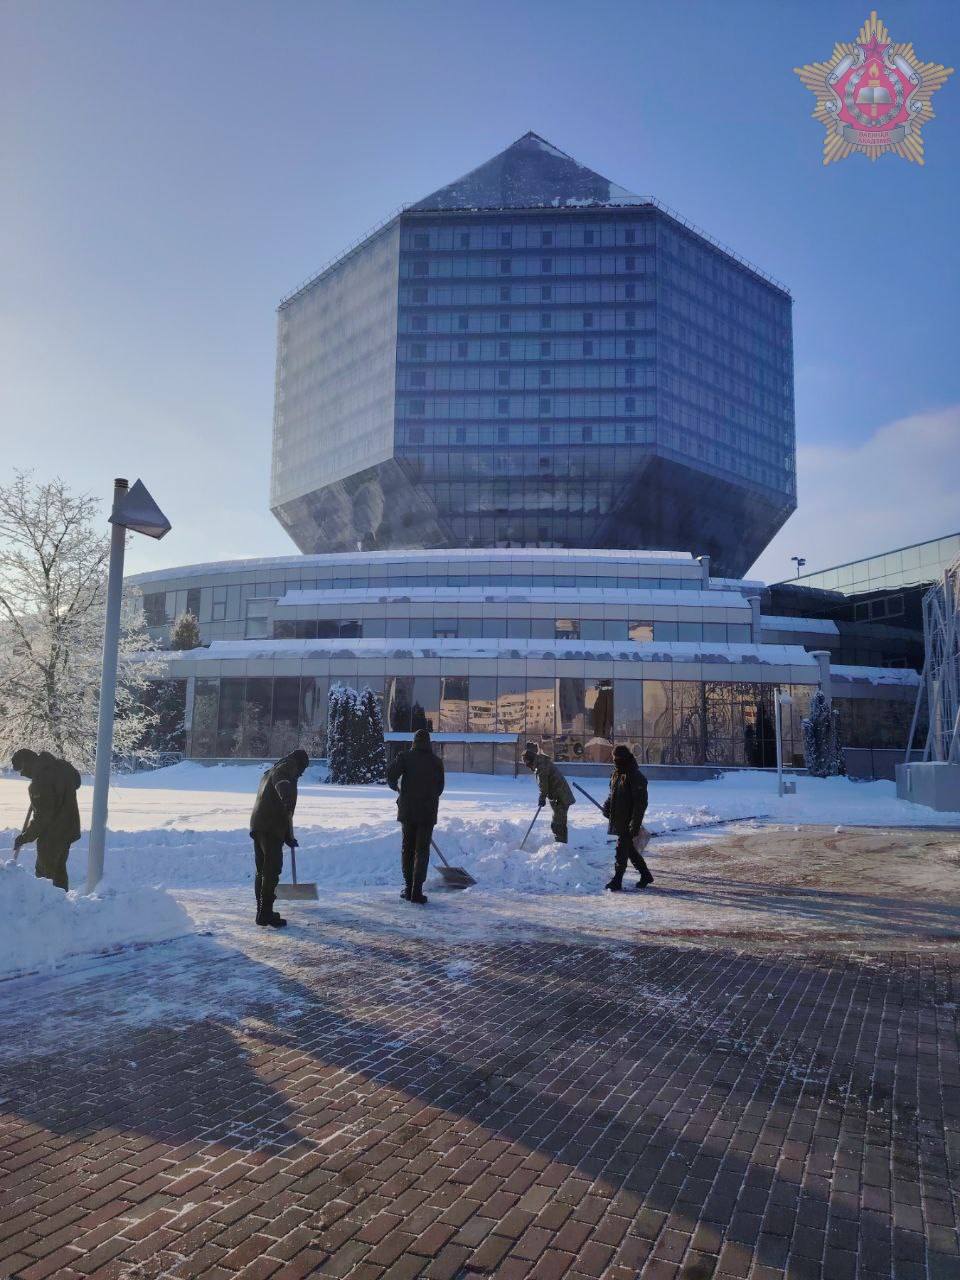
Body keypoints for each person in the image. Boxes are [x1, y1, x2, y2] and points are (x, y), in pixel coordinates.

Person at [249, 748, 309, 928]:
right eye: (303, 769)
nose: (301, 773)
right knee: (272, 869)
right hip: (271, 826)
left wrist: (288, 836)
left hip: (259, 825)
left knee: (262, 869)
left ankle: (262, 912)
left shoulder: (269, 771)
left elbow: (284, 810)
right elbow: (281, 781)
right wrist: (286, 794)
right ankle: (265, 912)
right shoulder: (286, 766)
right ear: (299, 763)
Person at [386, 728, 444, 905]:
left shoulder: (405, 757)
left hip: (408, 811)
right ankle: (417, 891)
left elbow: (390, 775)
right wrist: (428, 796)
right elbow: (440, 788)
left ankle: (408, 887)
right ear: (428, 742)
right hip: (427, 812)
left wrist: (397, 788)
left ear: (414, 742)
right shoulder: (436, 762)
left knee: (408, 849)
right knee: (422, 850)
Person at [11, 749, 82, 891]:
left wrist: (25, 837)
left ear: (26, 763)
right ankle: (61, 901)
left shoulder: (39, 783)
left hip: (52, 834)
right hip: (69, 828)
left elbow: (43, 818)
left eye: (21, 770)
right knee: (59, 871)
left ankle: (46, 903)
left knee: (44, 876)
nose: (21, 774)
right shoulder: (62, 766)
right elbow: (77, 782)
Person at [601, 744, 653, 892]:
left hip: (629, 820)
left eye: (617, 758)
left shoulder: (636, 777)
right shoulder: (616, 774)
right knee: (629, 849)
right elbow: (613, 794)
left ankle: (617, 880)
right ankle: (645, 875)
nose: (614, 761)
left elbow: (640, 804)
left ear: (624, 758)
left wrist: (634, 824)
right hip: (619, 818)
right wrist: (607, 806)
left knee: (621, 849)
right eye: (614, 758)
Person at [521, 742, 575, 844]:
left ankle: (560, 846)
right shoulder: (540, 763)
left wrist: (542, 798)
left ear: (530, 760)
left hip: (560, 797)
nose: (526, 765)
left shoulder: (541, 766)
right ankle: (561, 845)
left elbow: (543, 784)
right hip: (557, 796)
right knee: (559, 822)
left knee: (557, 823)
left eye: (526, 762)